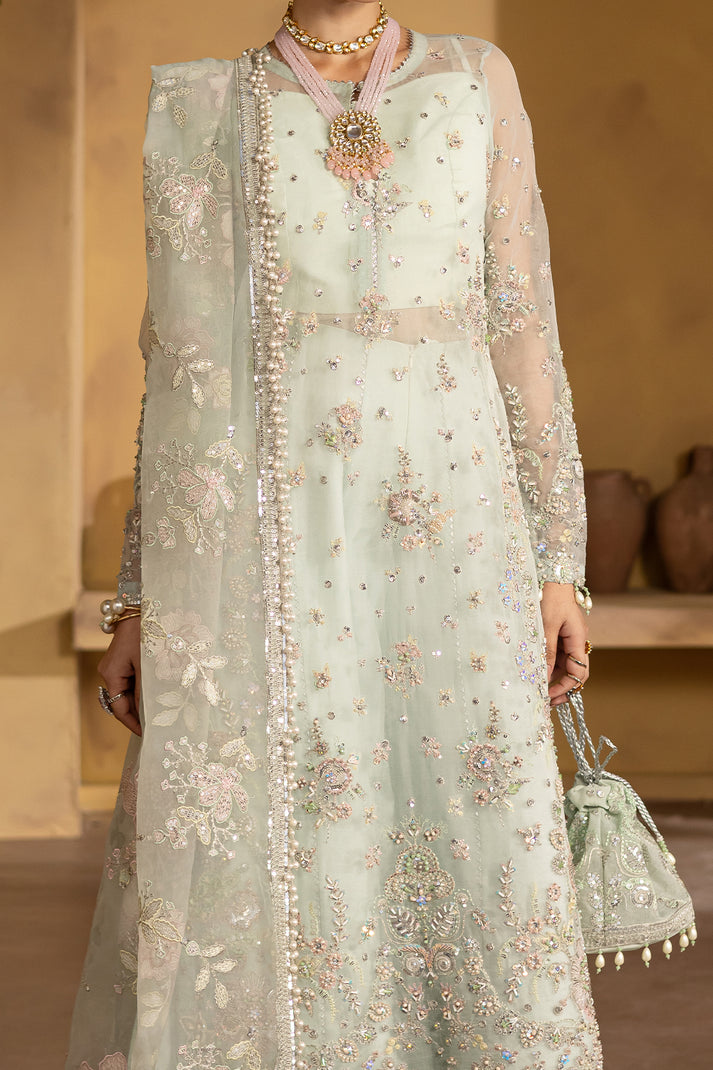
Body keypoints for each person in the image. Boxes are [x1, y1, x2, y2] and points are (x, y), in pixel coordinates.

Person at [67, 2, 602, 1067]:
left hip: (457, 525)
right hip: (278, 528)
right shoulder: (212, 104)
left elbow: (521, 322)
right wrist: (142, 595)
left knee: (466, 806)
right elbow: (179, 371)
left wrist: (557, 562)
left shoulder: (473, 77)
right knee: (303, 809)